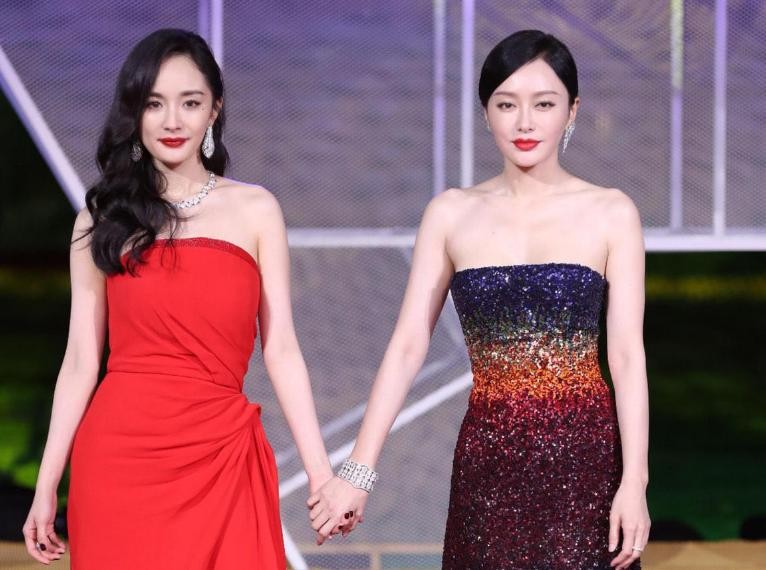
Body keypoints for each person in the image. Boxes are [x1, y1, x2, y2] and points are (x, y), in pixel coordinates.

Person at [308, 30, 650, 570]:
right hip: (488, 463)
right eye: (506, 105)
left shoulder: (612, 213)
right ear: (486, 113)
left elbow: (626, 356)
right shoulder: (450, 214)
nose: (525, 122)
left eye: (544, 104)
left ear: (572, 111)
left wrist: (634, 482)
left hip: (585, 462)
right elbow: (408, 344)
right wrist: (358, 470)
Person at [22, 29, 333, 568]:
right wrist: (47, 483)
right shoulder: (102, 217)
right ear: (134, 113)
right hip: (119, 461)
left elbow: (281, 348)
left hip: (221, 455)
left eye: (189, 103)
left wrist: (321, 473)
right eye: (154, 104)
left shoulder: (256, 210)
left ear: (215, 109)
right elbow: (79, 361)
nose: (172, 121)